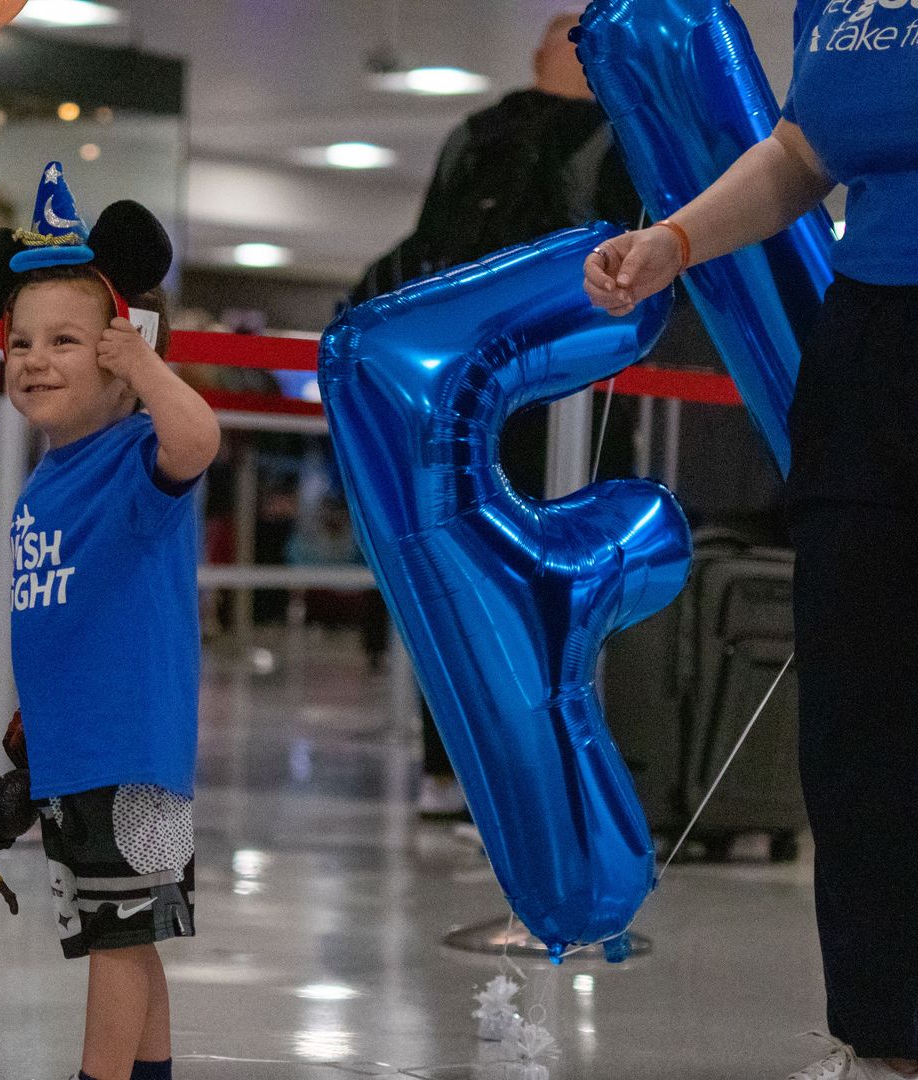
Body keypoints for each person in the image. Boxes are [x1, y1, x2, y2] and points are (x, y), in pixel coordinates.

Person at [584, 1, 918, 1076]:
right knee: (859, 716)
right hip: (869, 340)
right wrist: (675, 240)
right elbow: (805, 154)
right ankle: (888, 1027)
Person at [0, 162, 219, 1080]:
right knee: (127, 934)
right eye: (20, 342)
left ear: (118, 347)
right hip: (79, 752)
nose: (34, 359)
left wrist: (146, 369)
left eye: (66, 340)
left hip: (128, 752)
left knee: (114, 943)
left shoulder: (131, 457)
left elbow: (199, 442)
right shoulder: (50, 474)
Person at [351, 10, 646, 819]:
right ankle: (465, 765)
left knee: (551, 579)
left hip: (559, 397)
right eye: (568, 32)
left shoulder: (618, 134)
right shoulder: (493, 135)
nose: (581, 42)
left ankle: (547, 773)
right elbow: (430, 247)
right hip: (483, 400)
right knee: (459, 574)